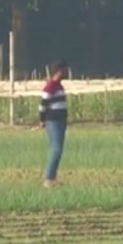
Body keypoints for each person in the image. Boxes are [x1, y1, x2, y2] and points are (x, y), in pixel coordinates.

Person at [38, 60, 69, 188]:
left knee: (58, 149)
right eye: (65, 70)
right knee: (56, 149)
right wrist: (42, 119)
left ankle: (52, 177)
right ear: (59, 71)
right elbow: (42, 105)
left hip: (61, 121)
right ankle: (49, 178)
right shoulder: (50, 86)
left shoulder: (59, 86)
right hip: (53, 121)